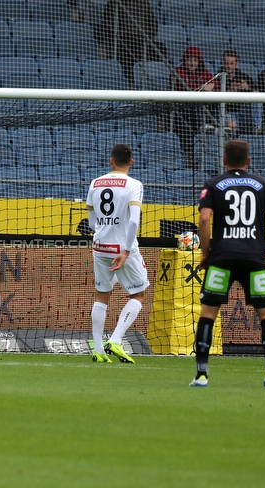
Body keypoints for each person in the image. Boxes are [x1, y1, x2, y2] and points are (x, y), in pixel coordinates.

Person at [192, 139, 265, 388]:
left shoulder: (213, 184)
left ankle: (201, 375)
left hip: (221, 259)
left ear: (224, 160)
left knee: (208, 314)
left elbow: (204, 220)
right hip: (254, 258)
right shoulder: (262, 184)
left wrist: (206, 253)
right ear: (248, 161)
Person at [86, 143, 149, 364]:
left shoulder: (95, 183)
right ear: (131, 162)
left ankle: (97, 350)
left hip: (100, 246)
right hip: (123, 248)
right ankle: (115, 340)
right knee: (138, 295)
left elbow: (92, 223)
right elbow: (133, 220)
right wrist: (125, 250)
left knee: (101, 295)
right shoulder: (134, 184)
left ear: (110, 160)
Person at [94, 0, 160, 89]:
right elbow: (108, 22)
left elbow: (152, 23)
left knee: (160, 49)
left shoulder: (143, 2)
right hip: (123, 40)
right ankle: (130, 85)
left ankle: (151, 86)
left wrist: (145, 34)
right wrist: (121, 33)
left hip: (141, 40)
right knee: (126, 57)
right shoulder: (114, 2)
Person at [219, 49, 260, 135]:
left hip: (244, 111)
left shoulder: (244, 77)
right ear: (223, 63)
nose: (229, 66)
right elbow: (215, 99)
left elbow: (257, 91)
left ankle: (258, 127)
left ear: (236, 64)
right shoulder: (218, 77)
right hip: (228, 111)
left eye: (231, 63)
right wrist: (228, 91)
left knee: (256, 97)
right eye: (226, 63)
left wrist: (248, 88)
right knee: (231, 126)